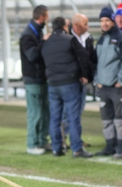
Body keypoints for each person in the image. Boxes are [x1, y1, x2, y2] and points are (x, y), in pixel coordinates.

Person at [41, 17, 93, 158]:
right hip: (69, 83)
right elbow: (83, 57)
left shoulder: (46, 42)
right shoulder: (70, 39)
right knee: (73, 117)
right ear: (65, 26)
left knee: (55, 118)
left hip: (52, 84)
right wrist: (84, 75)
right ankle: (77, 149)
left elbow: (41, 58)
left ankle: (56, 148)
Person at [19, 5, 51, 155]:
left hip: (42, 78)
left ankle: (42, 141)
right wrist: (43, 42)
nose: (48, 20)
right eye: (47, 17)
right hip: (32, 79)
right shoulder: (28, 35)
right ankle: (32, 144)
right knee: (35, 113)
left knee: (45, 112)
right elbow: (32, 56)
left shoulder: (37, 32)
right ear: (42, 17)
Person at [61, 14, 97, 149]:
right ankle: (63, 139)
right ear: (76, 25)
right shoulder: (67, 39)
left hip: (83, 81)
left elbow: (91, 59)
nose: (88, 27)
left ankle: (75, 139)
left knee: (78, 111)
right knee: (67, 112)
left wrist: (88, 76)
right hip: (71, 81)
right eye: (85, 24)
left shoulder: (88, 38)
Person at [94, 7, 122, 159]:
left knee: (119, 120)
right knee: (106, 119)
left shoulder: (120, 37)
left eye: (107, 20)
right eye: (101, 21)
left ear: (113, 21)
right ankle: (109, 146)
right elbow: (97, 62)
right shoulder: (101, 39)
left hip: (116, 88)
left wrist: (120, 81)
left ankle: (120, 148)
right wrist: (97, 81)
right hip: (103, 87)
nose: (104, 24)